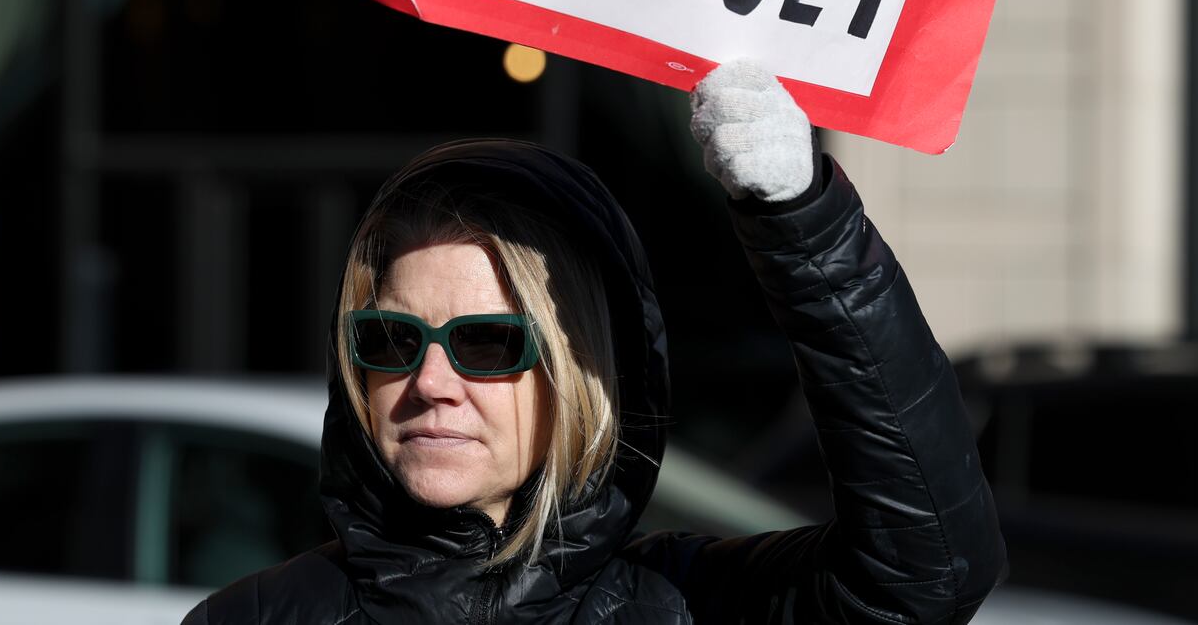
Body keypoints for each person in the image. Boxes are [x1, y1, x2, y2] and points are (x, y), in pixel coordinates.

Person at [185, 60, 1005, 623]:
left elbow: (929, 567)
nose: (429, 378)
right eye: (392, 338)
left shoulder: (684, 603)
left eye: (487, 343)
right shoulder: (254, 616)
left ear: (580, 375)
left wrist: (802, 222)